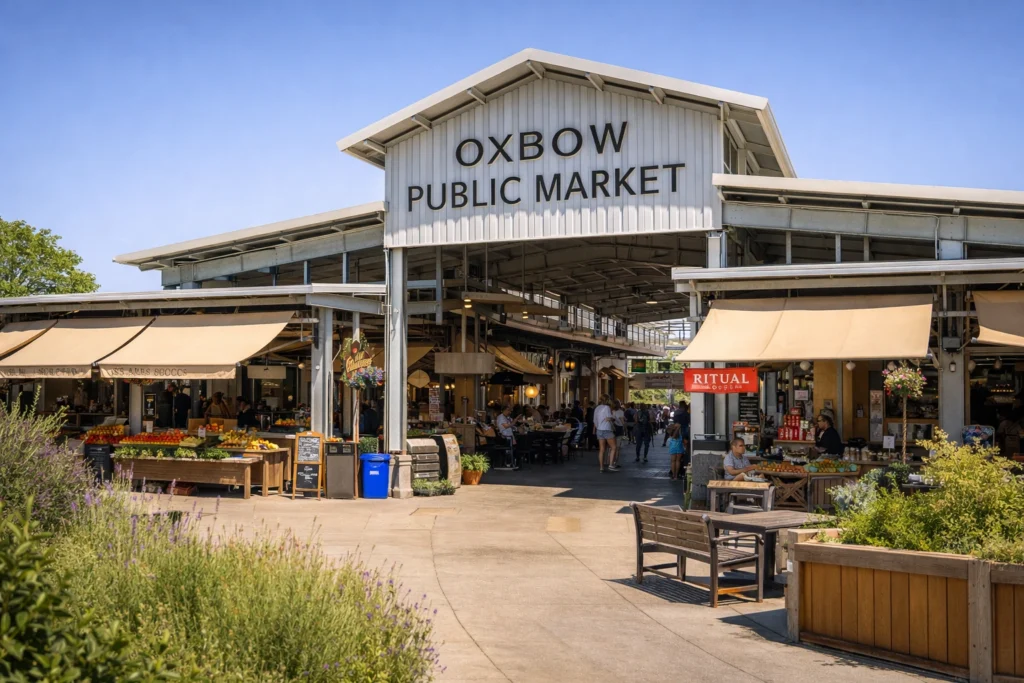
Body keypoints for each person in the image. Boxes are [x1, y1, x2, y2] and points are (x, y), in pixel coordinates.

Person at [593, 395, 618, 472]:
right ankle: (611, 465)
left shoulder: (597, 408)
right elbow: (609, 418)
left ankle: (601, 467)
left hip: (599, 430)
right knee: (614, 447)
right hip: (607, 429)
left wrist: (597, 427)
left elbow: (595, 420)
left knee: (602, 449)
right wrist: (613, 418)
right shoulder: (607, 408)